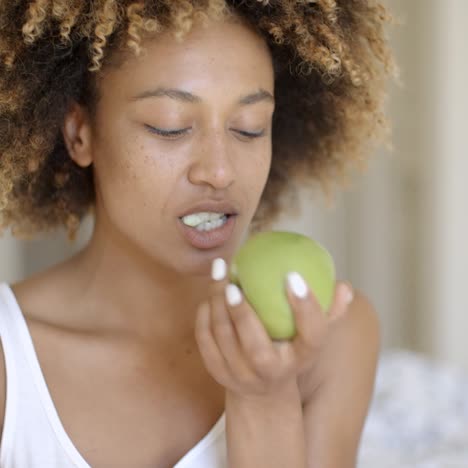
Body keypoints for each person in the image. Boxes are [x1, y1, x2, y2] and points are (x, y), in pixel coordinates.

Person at [0, 1, 396, 467]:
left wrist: (264, 400)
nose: (221, 171)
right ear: (79, 133)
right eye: (170, 127)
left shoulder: (331, 335)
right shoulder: (11, 361)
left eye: (249, 129)